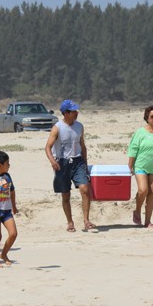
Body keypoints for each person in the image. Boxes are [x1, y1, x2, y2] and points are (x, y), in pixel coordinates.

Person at [45, 99, 94, 232]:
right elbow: (48, 147)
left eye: (76, 110)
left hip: (78, 161)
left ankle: (86, 220)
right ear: (66, 113)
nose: (76, 113)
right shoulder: (57, 128)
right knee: (66, 195)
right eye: (73, 111)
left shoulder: (79, 126)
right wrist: (53, 161)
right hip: (62, 163)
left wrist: (85, 163)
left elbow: (82, 145)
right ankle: (70, 222)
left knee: (84, 189)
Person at [127, 105, 153, 227]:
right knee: (143, 190)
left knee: (152, 193)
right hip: (140, 166)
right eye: (152, 116)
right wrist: (130, 166)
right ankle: (137, 211)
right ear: (147, 118)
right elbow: (133, 150)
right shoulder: (140, 132)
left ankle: (147, 222)